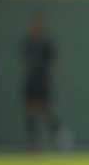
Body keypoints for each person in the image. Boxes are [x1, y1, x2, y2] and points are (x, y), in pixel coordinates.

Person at [19, 12, 62, 153]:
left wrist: (52, 75)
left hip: (42, 82)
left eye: (38, 25)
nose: (35, 28)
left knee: (43, 110)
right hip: (31, 81)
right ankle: (33, 141)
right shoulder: (29, 43)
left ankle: (59, 134)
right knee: (29, 109)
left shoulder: (46, 43)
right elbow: (22, 58)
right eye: (33, 25)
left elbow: (55, 60)